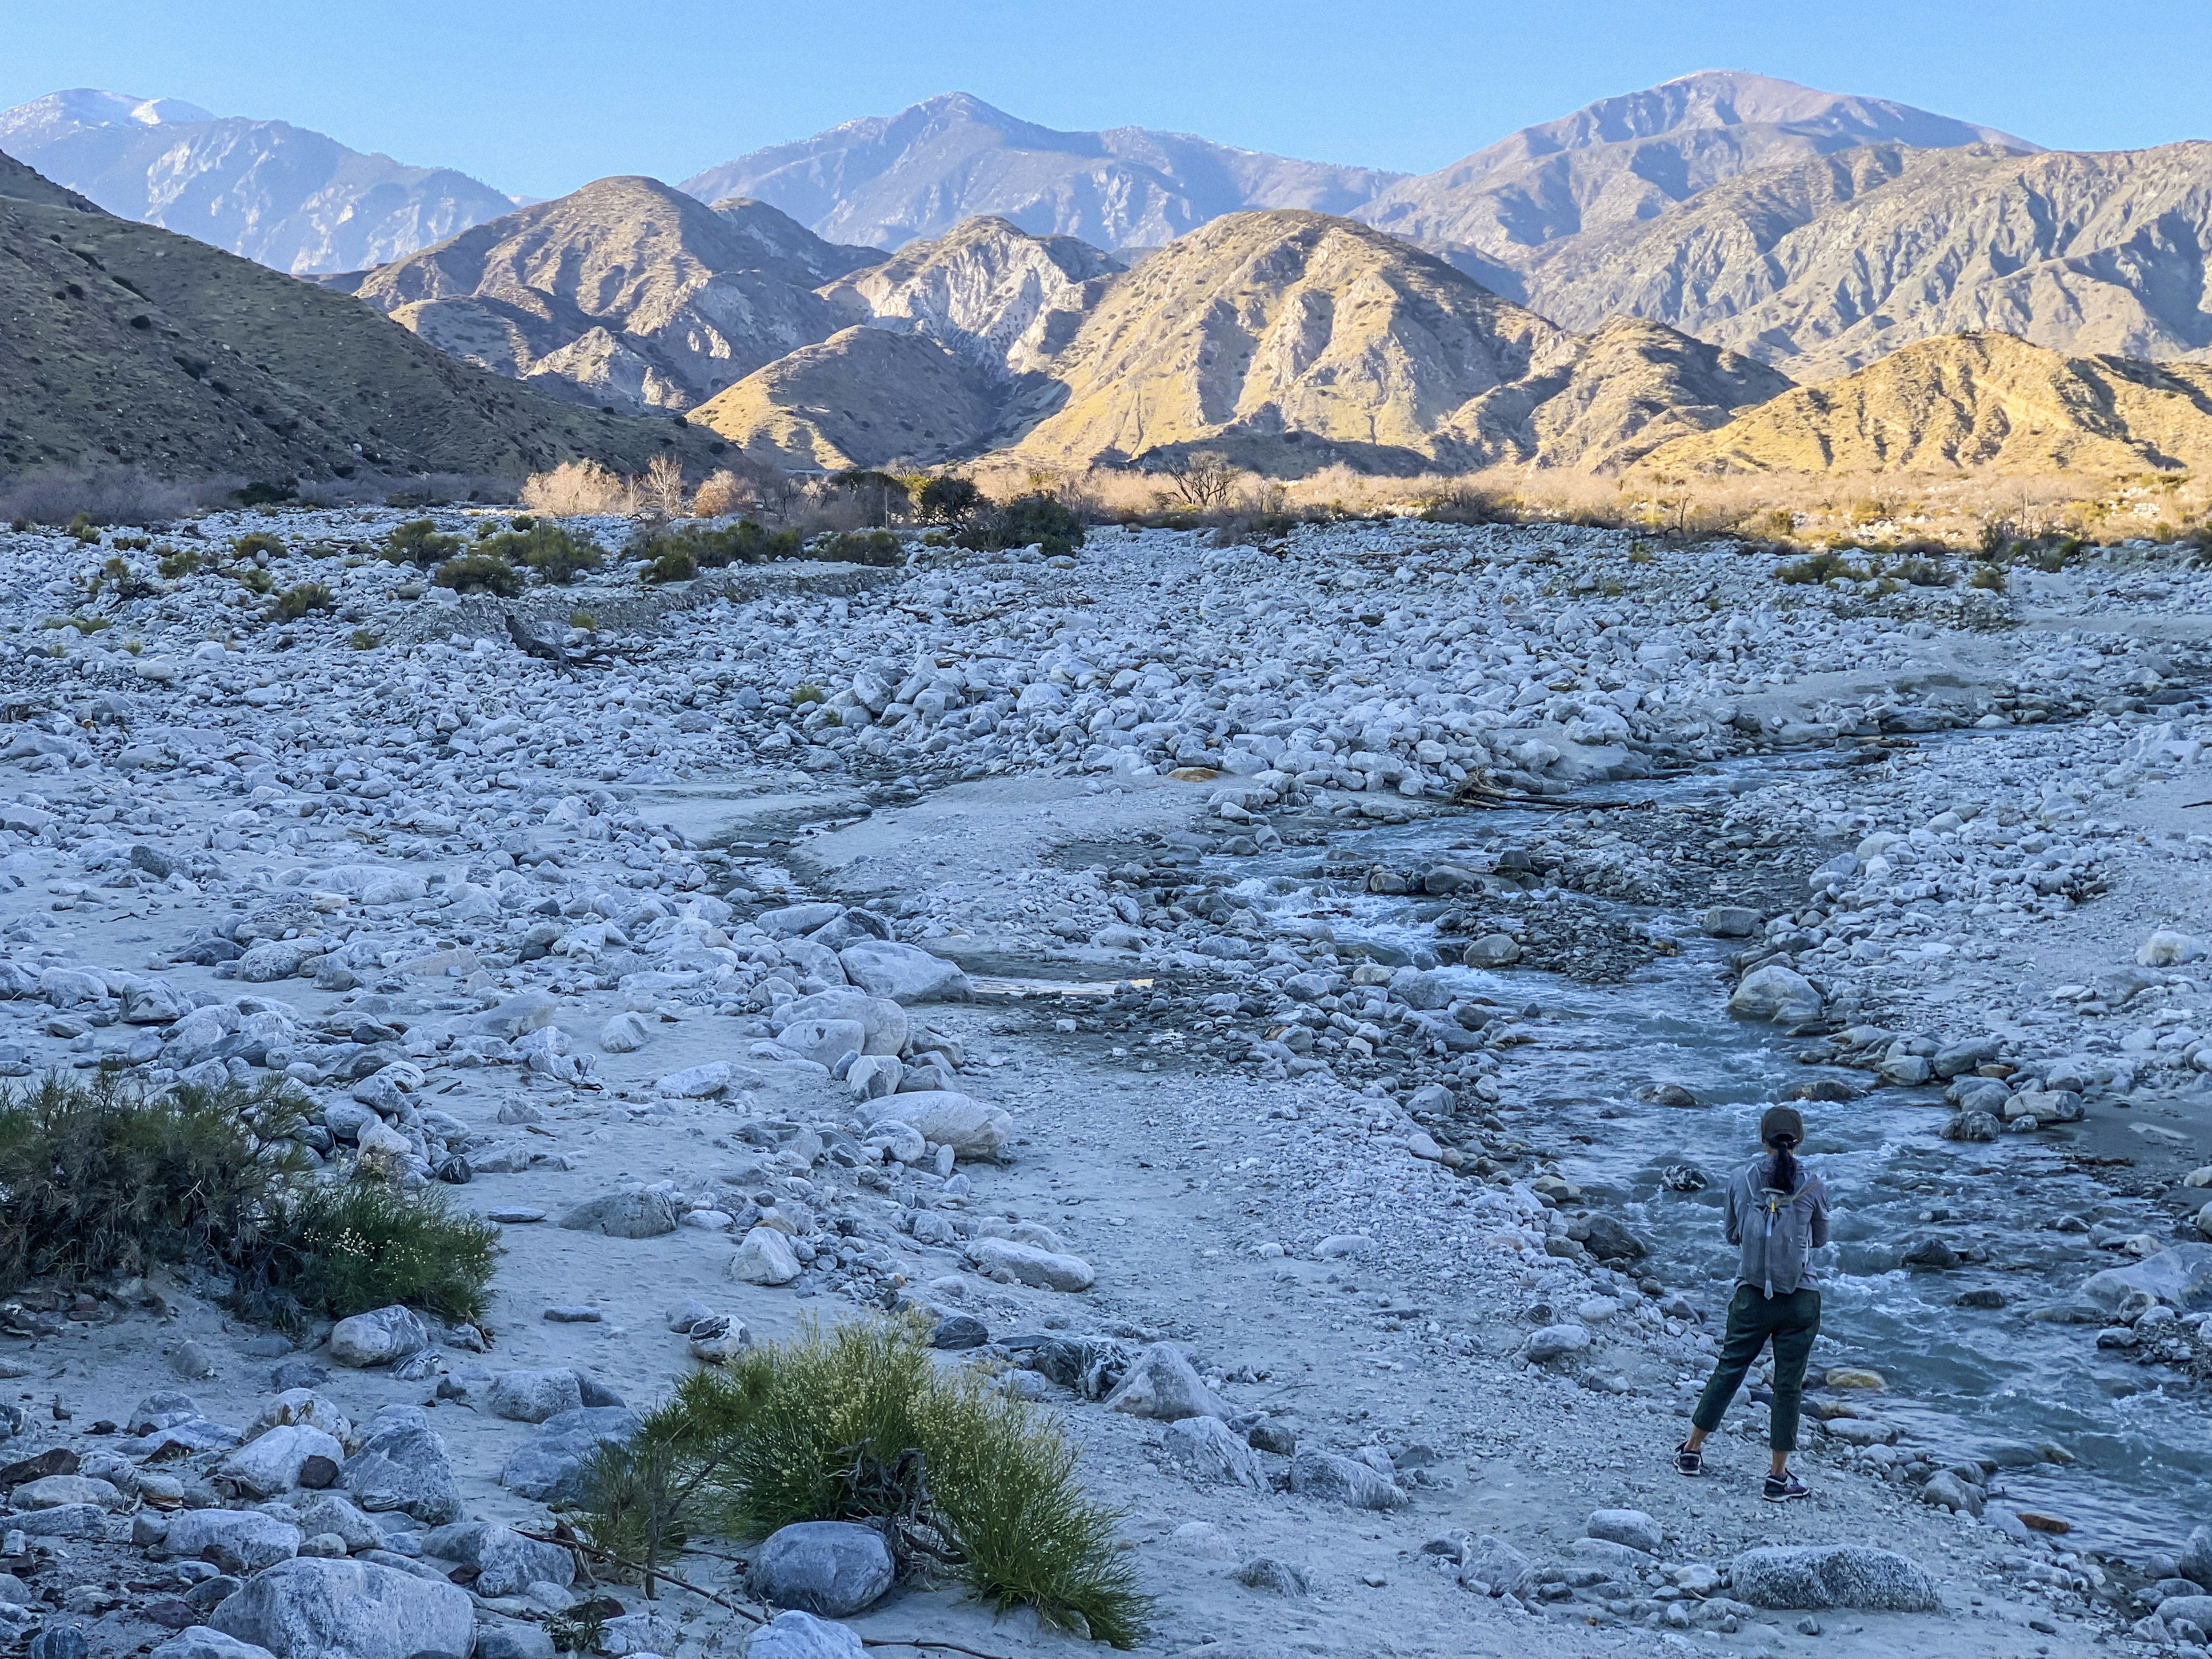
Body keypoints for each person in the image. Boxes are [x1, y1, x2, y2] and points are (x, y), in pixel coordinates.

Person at [1675, 1104, 1829, 1501]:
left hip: (1751, 1295)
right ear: (1800, 1140)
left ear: (1762, 1139)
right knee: (1787, 1386)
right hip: (1801, 1298)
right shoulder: (1812, 1183)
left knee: (1729, 1370)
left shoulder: (1740, 1180)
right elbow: (1822, 1240)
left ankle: (1692, 1451)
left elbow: (1731, 1234)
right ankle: (1778, 1477)